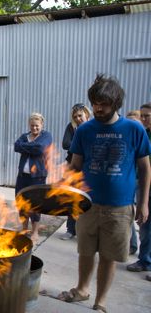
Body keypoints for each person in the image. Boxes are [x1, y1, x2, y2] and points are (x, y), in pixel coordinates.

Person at [57, 74, 151, 313]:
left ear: (116, 103)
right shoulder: (85, 130)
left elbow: (144, 167)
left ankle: (100, 301)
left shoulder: (134, 129)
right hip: (87, 204)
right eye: (95, 103)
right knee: (85, 251)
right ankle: (82, 289)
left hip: (119, 207)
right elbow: (76, 164)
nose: (98, 108)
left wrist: (143, 202)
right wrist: (62, 185)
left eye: (104, 104)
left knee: (108, 256)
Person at [14, 112, 52, 243]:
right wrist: (31, 147)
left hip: (37, 177)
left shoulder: (46, 136)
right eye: (32, 125)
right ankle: (24, 229)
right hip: (22, 176)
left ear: (42, 125)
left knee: (35, 205)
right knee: (21, 202)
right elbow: (16, 146)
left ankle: (35, 231)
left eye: (37, 125)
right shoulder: (25, 136)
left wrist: (25, 147)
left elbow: (41, 148)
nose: (34, 128)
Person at [127, 103, 151, 282]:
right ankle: (145, 260)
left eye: (147, 116)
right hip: (142, 186)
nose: (143, 119)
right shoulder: (142, 134)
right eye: (142, 116)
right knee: (145, 225)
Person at [60, 103, 91, 240]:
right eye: (75, 116)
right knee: (72, 198)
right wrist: (81, 143)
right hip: (72, 166)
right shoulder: (71, 127)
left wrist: (76, 144)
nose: (78, 118)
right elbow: (65, 144)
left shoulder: (94, 127)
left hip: (89, 168)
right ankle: (70, 229)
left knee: (87, 200)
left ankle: (85, 231)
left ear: (87, 114)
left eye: (80, 115)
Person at [126, 110, 142, 255]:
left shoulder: (142, 139)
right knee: (129, 214)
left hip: (140, 181)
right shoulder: (126, 139)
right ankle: (132, 244)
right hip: (129, 182)